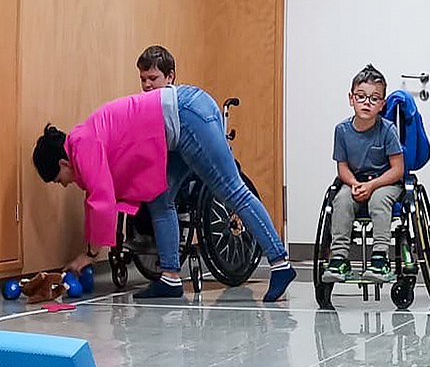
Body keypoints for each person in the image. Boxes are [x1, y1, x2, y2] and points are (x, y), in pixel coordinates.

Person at [32, 86, 295, 301]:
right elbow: (95, 202)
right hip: (183, 118)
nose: (64, 184)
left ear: (62, 164)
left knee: (232, 190)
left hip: (187, 115)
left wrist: (88, 256)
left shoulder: (81, 144)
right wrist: (88, 250)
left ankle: (280, 263)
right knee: (159, 198)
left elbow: (102, 201)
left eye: (58, 180)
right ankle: (170, 278)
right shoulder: (82, 140)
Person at [321, 65, 405, 285]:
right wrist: (355, 184)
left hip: (385, 181)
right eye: (361, 96)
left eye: (374, 98)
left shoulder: (387, 130)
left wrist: (372, 186)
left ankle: (380, 258)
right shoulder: (342, 130)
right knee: (341, 199)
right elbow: (342, 167)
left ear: (382, 105)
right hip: (355, 181)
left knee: (378, 200)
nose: (367, 102)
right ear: (351, 98)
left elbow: (398, 169)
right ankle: (339, 257)